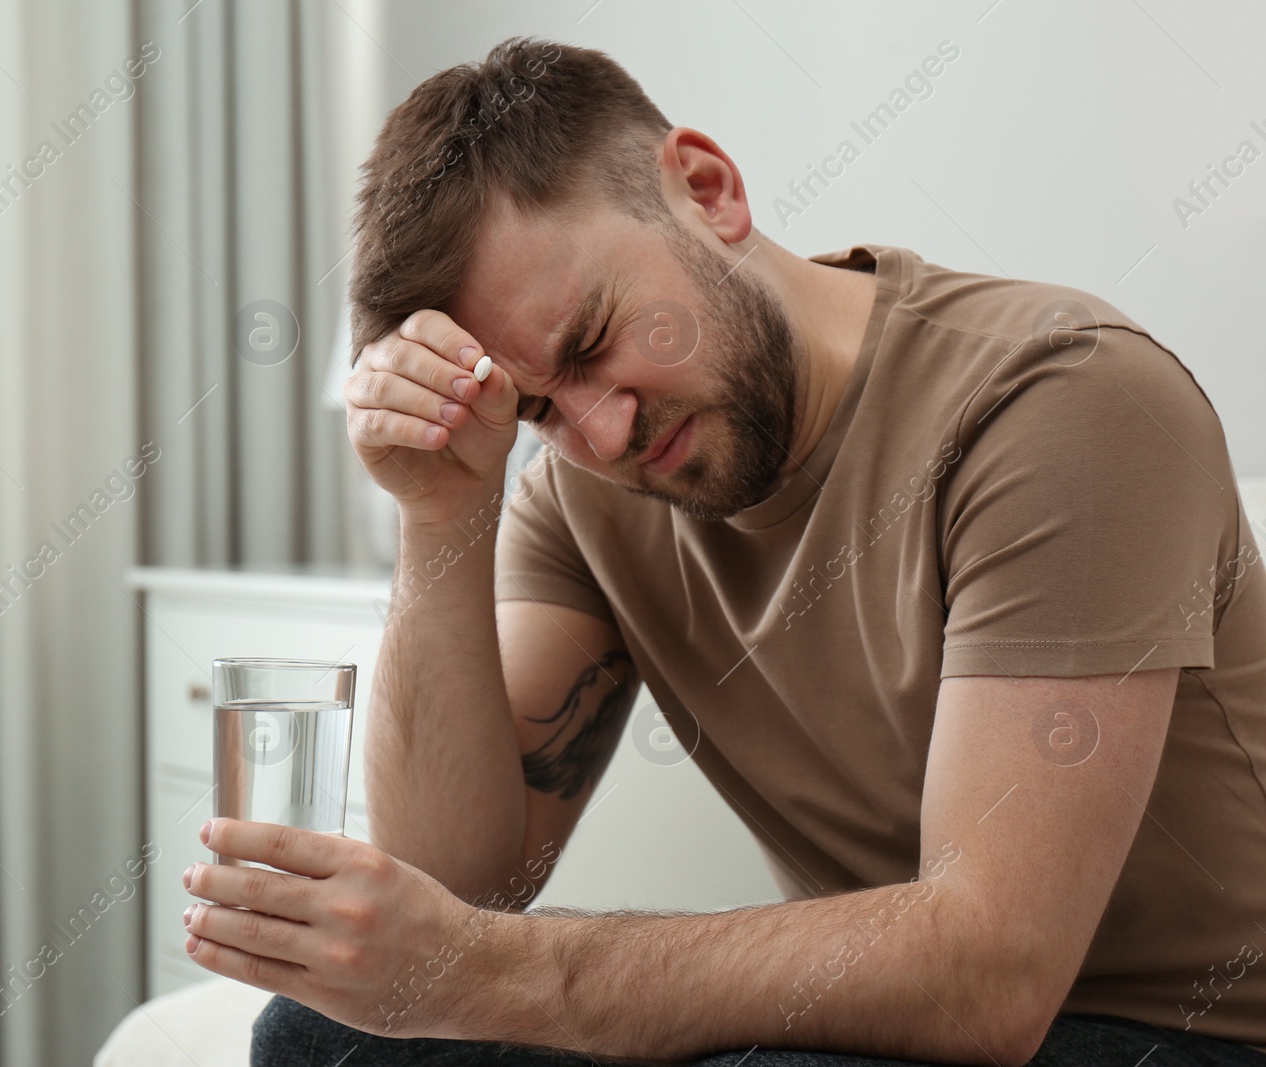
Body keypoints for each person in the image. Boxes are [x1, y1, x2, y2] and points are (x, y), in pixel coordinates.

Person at [182, 36, 1266, 1065]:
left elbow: (990, 973)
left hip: (1192, 1029)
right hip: (869, 1029)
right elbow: (452, 893)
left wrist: (514, 977)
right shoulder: (585, 491)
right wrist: (440, 513)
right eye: (537, 412)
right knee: (323, 1038)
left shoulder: (1061, 402)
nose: (602, 435)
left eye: (597, 341)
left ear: (706, 189)